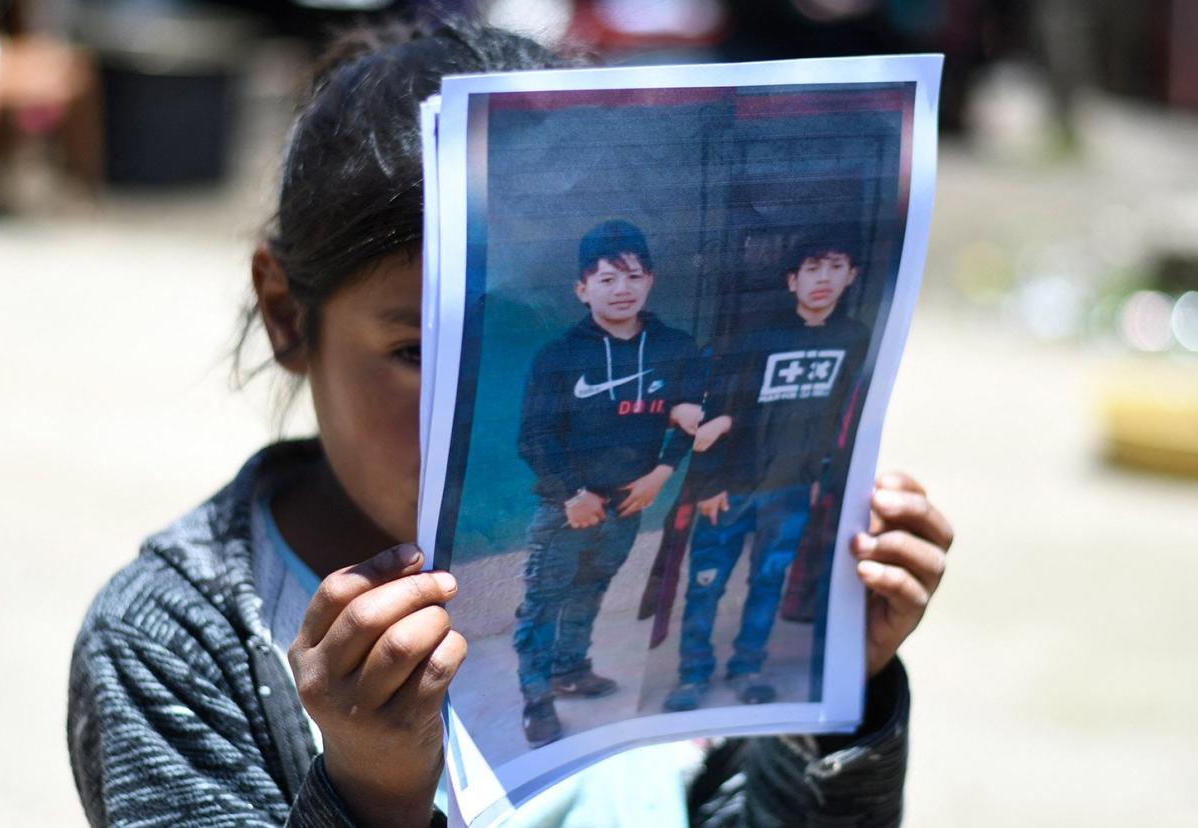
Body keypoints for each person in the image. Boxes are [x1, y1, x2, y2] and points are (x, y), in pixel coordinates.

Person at [67, 20, 954, 828]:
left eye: (513, 348)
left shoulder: (663, 574)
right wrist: (371, 790)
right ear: (286, 314)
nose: (466, 409)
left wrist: (841, 688)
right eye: (418, 354)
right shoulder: (178, 641)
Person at [665, 229, 873, 712]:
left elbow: (839, 414)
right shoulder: (757, 338)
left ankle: (748, 667)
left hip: (792, 490)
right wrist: (710, 483)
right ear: (792, 280)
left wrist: (822, 473)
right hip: (731, 490)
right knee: (706, 583)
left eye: (836, 267)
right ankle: (692, 675)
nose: (824, 279)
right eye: (813, 269)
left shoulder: (853, 338)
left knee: (768, 582)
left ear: (852, 276)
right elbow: (718, 413)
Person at [514, 219, 703, 747]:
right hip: (565, 508)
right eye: (605, 279)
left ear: (650, 281)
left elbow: (695, 415)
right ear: (582, 289)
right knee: (543, 602)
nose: (621, 290)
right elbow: (533, 436)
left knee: (590, 590)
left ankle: (570, 669)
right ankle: (537, 697)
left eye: (633, 277)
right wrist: (573, 494)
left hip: (629, 504)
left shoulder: (676, 348)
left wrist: (661, 475)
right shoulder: (559, 356)